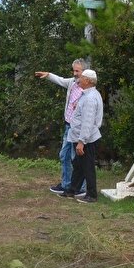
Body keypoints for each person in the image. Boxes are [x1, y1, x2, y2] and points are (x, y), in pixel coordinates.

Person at [34, 58, 85, 194]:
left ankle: (81, 187)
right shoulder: (72, 83)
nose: (74, 73)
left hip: (78, 129)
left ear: (84, 72)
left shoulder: (87, 88)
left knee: (77, 158)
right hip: (68, 126)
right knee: (64, 155)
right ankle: (66, 184)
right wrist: (48, 75)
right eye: (73, 70)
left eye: (77, 71)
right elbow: (60, 80)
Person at [58, 68, 103, 203]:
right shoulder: (88, 95)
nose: (79, 79)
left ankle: (92, 195)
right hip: (83, 138)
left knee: (87, 167)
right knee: (78, 165)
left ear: (88, 81)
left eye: (82, 77)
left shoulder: (90, 98)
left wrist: (81, 141)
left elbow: (88, 122)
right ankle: (72, 190)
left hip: (86, 139)